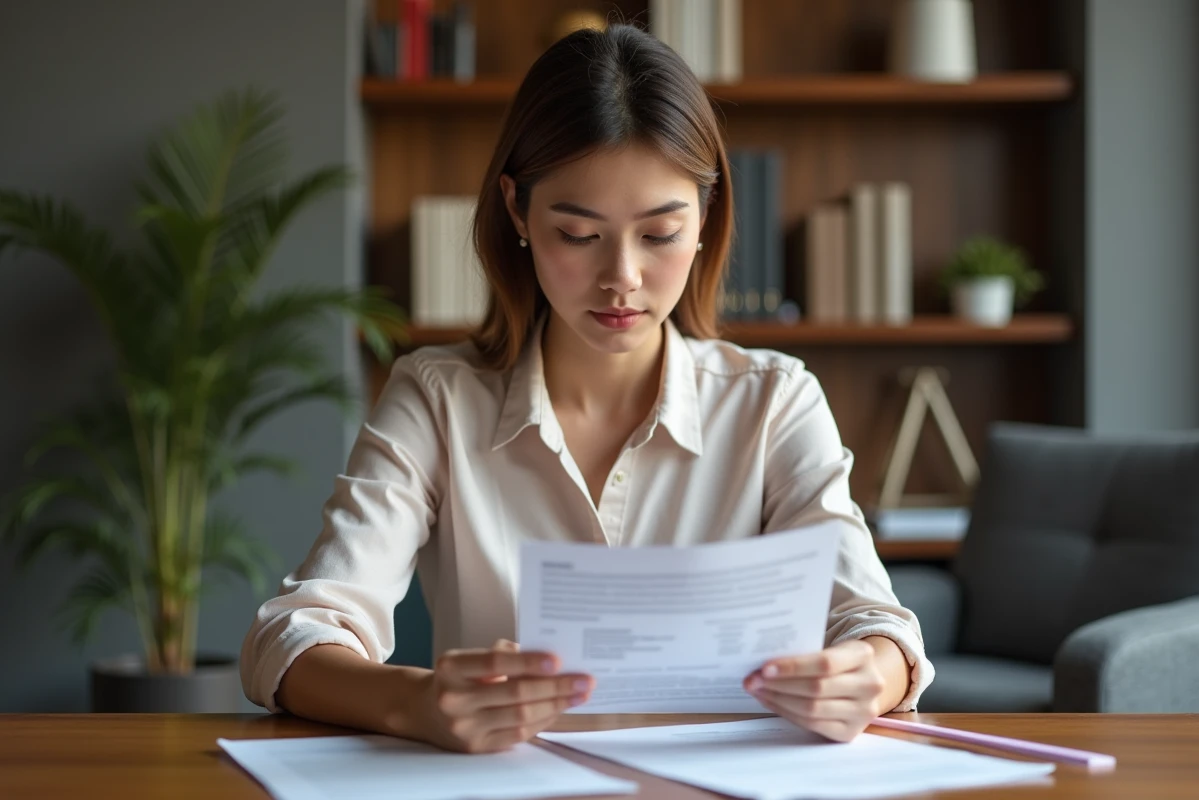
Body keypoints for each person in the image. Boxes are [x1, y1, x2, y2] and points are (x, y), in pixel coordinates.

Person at [240, 23, 933, 754]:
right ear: (517, 211)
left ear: (706, 217)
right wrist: (415, 701)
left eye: (660, 234)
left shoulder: (774, 402)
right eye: (578, 234)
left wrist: (868, 676)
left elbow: (875, 626)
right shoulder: (438, 400)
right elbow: (291, 638)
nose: (621, 278)